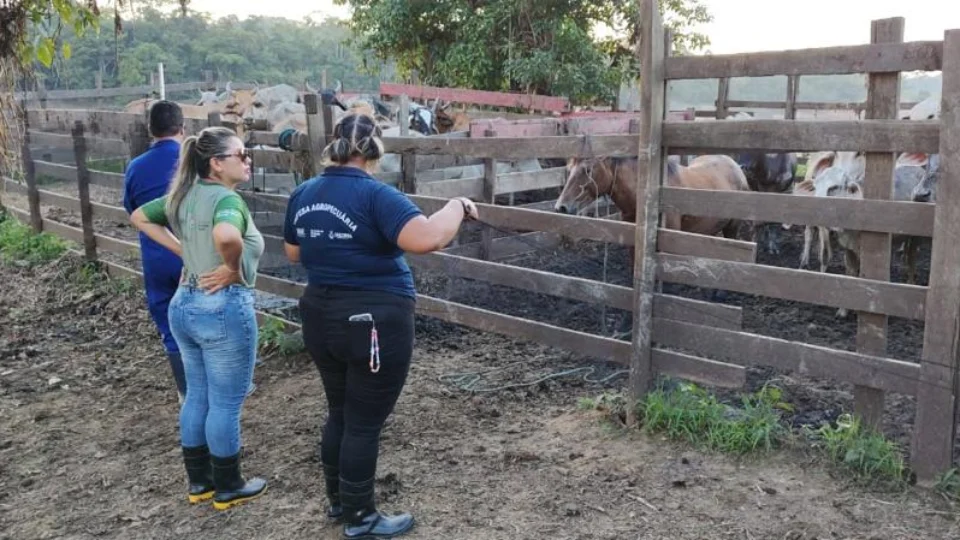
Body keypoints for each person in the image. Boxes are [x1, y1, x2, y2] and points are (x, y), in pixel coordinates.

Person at [282, 111, 478, 539]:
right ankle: (361, 517)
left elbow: (294, 253)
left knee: (339, 411)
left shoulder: (304, 193)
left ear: (334, 144)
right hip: (372, 320)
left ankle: (338, 501)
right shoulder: (377, 196)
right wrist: (457, 206)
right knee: (364, 422)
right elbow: (428, 238)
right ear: (376, 149)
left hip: (319, 314)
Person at [130, 126, 267, 510]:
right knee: (225, 402)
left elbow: (140, 216)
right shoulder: (226, 200)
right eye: (241, 154)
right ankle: (229, 485)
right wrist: (232, 268)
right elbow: (227, 236)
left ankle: (200, 483)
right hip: (220, 308)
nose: (248, 160)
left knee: (197, 395)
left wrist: (183, 252)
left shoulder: (184, 195)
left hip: (184, 305)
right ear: (217, 163)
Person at [122, 100, 187, 401]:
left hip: (157, 257)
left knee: (170, 327)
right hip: (194, 253)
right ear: (182, 128)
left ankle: (185, 394)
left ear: (150, 129)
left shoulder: (136, 167)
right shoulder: (193, 162)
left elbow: (132, 209)